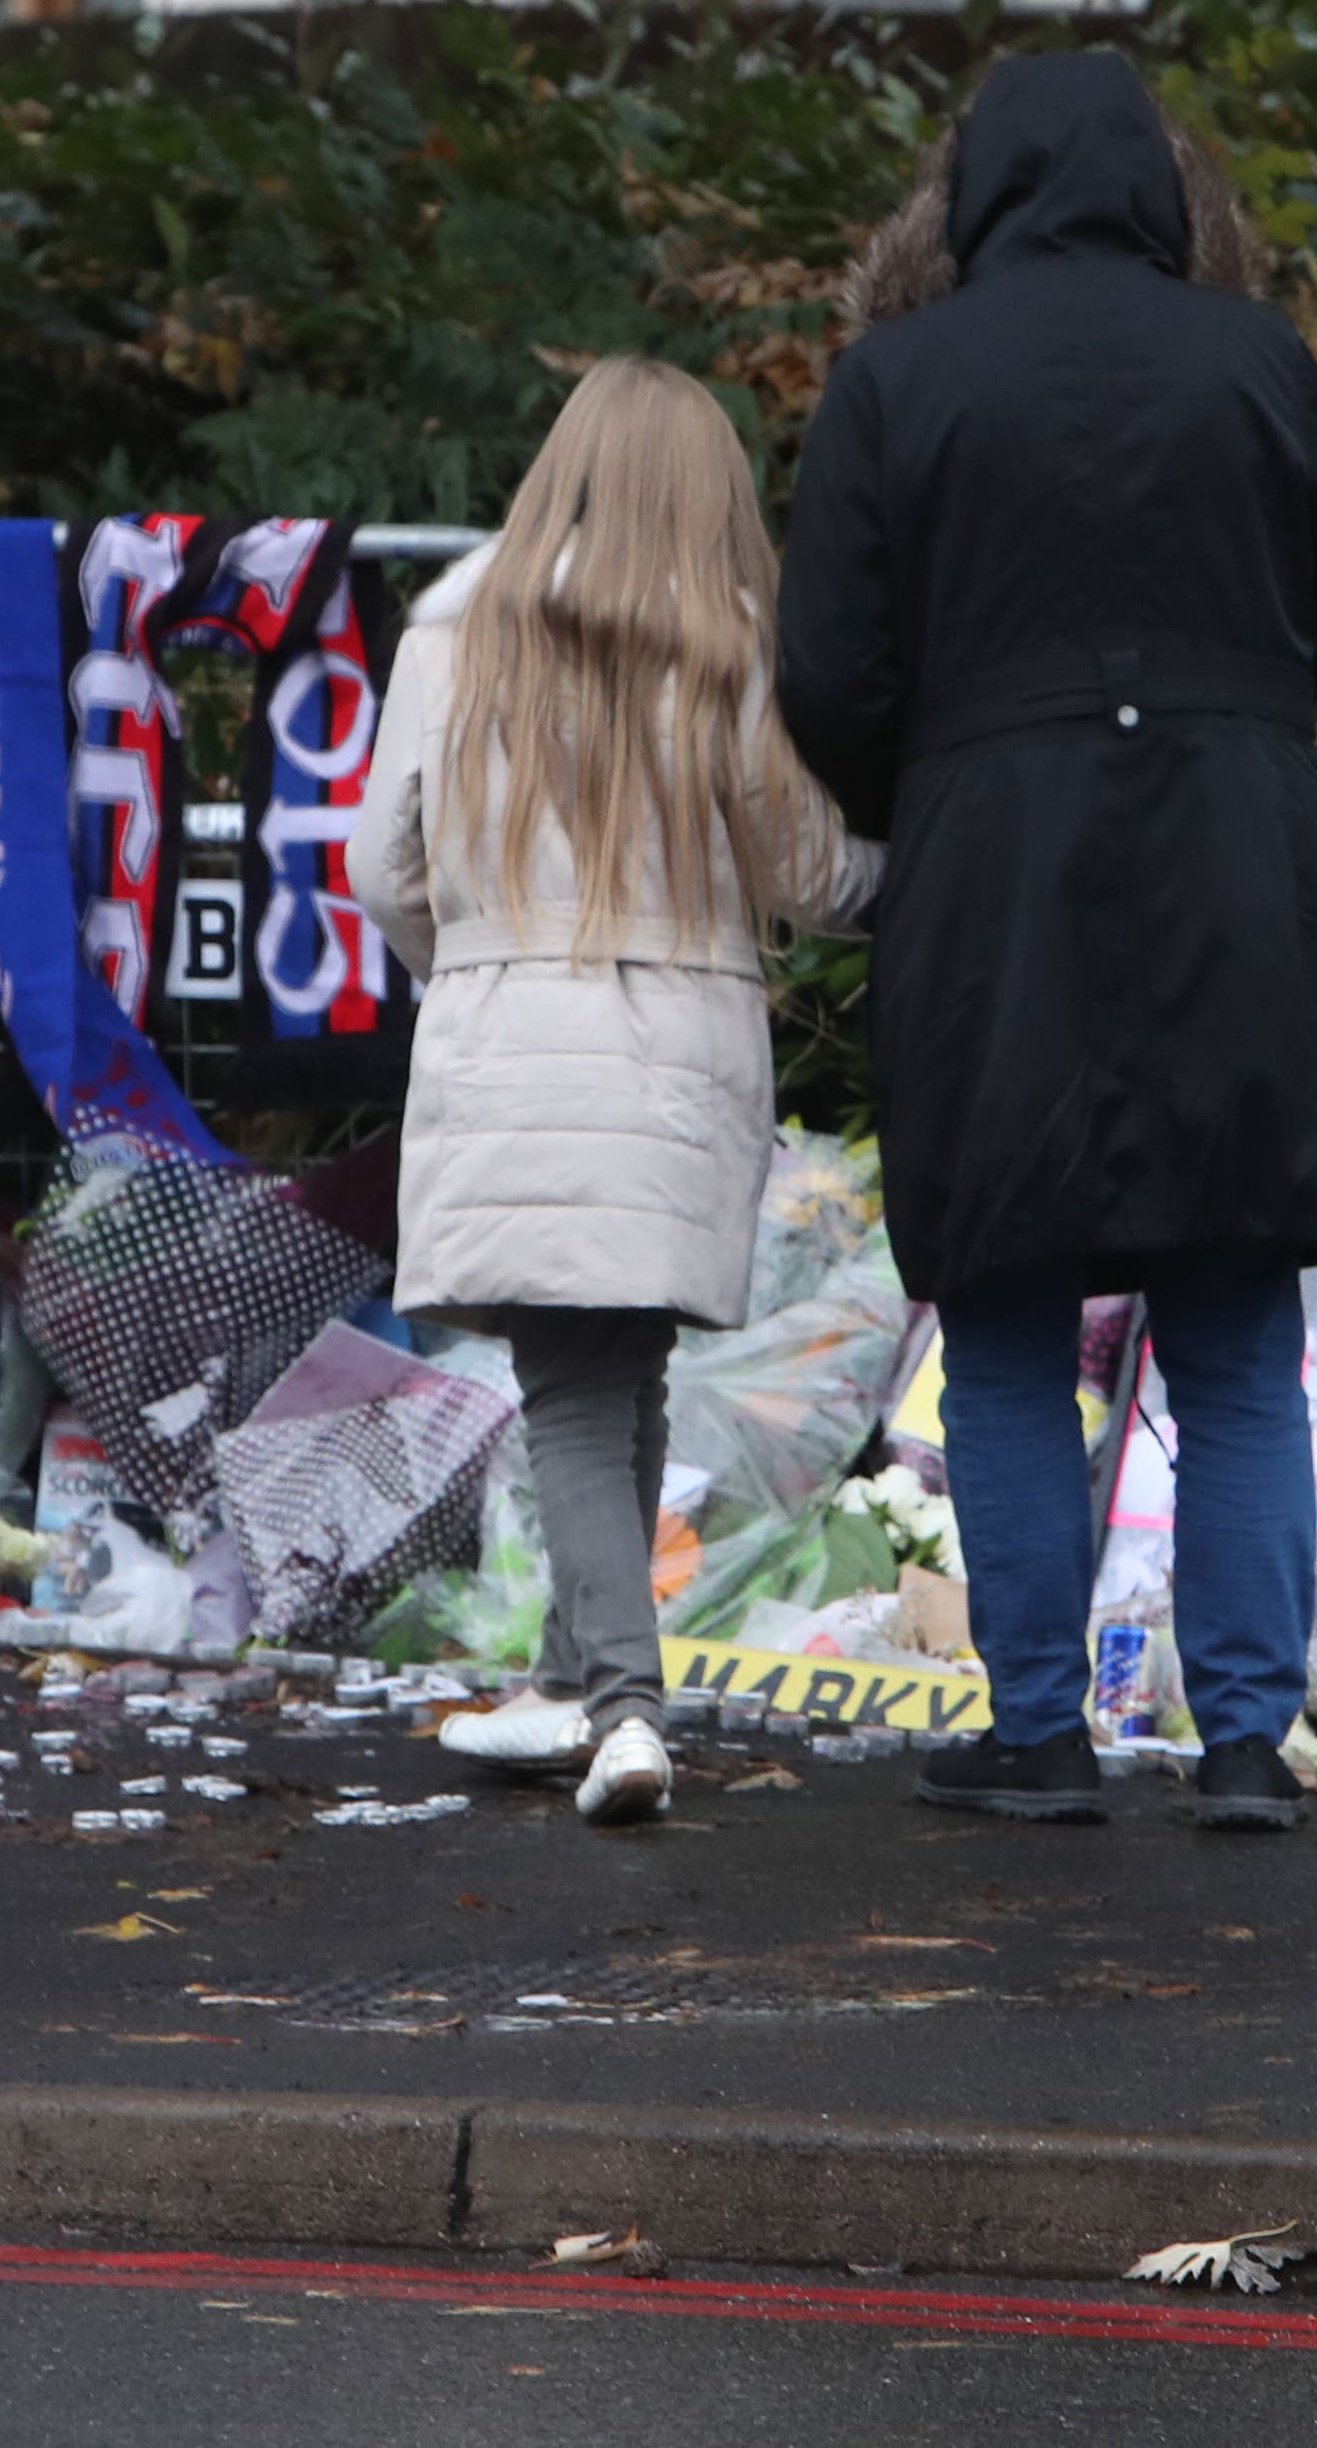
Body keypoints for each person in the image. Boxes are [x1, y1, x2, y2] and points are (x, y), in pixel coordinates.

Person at [778, 49, 1317, 1834]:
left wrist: (959, 760)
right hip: (1236, 865)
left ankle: (1038, 1734)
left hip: (995, 885)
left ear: (971, 198)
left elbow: (828, 671)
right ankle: (1241, 1742)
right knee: (1235, 1331)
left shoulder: (895, 380)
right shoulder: (1254, 362)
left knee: (1002, 1327)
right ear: (1159, 187)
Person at [357, 358, 882, 1828]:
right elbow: (809, 876)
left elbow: (377, 869)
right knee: (609, 1376)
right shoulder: (726, 647)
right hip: (679, 1051)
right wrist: (923, 860)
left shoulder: (454, 627)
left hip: (504, 1031)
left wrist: (466, 960)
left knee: (578, 1388)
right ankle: (586, 1690)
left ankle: (614, 1708)